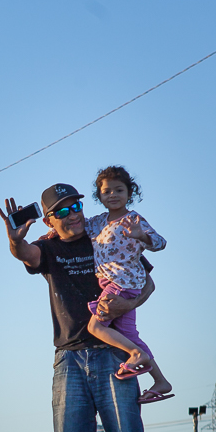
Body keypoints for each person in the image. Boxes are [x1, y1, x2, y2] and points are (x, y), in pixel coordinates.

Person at [0, 183, 154, 432]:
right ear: (51, 219)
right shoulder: (48, 247)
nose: (74, 215)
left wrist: (126, 306)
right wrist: (13, 239)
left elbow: (147, 282)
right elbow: (25, 253)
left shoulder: (106, 236)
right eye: (64, 211)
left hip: (113, 352)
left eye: (77, 206)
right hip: (68, 356)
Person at [82, 166, 173, 404]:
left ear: (129, 193)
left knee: (96, 327)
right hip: (111, 284)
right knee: (129, 334)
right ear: (99, 196)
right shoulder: (96, 222)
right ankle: (160, 381)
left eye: (119, 190)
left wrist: (141, 236)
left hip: (123, 282)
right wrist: (51, 232)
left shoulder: (133, 219)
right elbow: (77, 229)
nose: (113, 195)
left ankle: (136, 354)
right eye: (106, 191)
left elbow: (161, 243)